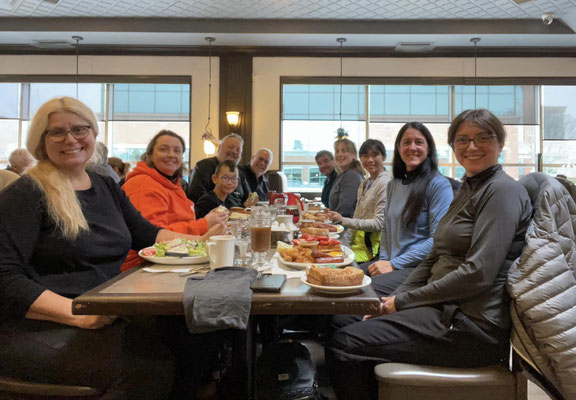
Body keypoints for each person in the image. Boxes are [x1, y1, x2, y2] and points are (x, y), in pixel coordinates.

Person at [0, 97, 222, 400]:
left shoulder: (104, 184)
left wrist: (207, 240)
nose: (71, 139)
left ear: (93, 134)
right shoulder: (27, 193)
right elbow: (5, 277)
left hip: (104, 311)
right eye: (57, 132)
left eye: (80, 129)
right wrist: (75, 312)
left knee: (195, 333)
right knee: (148, 369)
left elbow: (147, 234)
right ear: (40, 140)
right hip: (42, 324)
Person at [325, 109, 533, 400]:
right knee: (350, 316)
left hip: (470, 324)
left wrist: (403, 301)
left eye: (483, 138)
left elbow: (478, 274)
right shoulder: (469, 187)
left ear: (500, 143)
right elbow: (435, 253)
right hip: (443, 306)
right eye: (463, 139)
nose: (471, 147)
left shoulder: (501, 191)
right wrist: (393, 301)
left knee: (343, 341)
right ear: (453, 146)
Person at [362, 122, 454, 296]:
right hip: (392, 263)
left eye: (419, 142)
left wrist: (394, 264)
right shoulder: (393, 184)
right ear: (398, 147)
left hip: (418, 269)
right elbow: (386, 229)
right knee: (343, 277)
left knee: (356, 294)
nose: (412, 147)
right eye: (406, 142)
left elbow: (438, 240)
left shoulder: (438, 185)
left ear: (428, 148)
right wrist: (383, 261)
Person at [121, 130, 227, 271]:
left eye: (177, 151)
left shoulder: (171, 183)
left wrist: (208, 222)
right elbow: (151, 238)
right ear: (150, 155)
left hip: (174, 261)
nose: (171, 155)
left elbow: (178, 223)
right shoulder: (143, 185)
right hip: (142, 268)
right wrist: (204, 225)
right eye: (163, 149)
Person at [327, 139, 392, 263]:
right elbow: (356, 218)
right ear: (360, 158)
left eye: (375, 155)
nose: (370, 160)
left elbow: (379, 224)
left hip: (371, 251)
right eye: (365, 156)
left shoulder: (385, 182)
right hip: (357, 247)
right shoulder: (365, 183)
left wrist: (343, 220)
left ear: (383, 157)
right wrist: (344, 245)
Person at [187, 133, 256, 207]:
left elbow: (249, 198)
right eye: (230, 147)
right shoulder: (204, 166)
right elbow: (196, 197)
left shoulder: (240, 172)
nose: (234, 151)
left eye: (238, 149)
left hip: (239, 216)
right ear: (219, 148)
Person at [329, 138, 364, 218]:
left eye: (344, 151)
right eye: (337, 151)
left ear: (354, 155)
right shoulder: (343, 175)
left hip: (345, 227)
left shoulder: (351, 176)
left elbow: (345, 209)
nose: (339, 154)